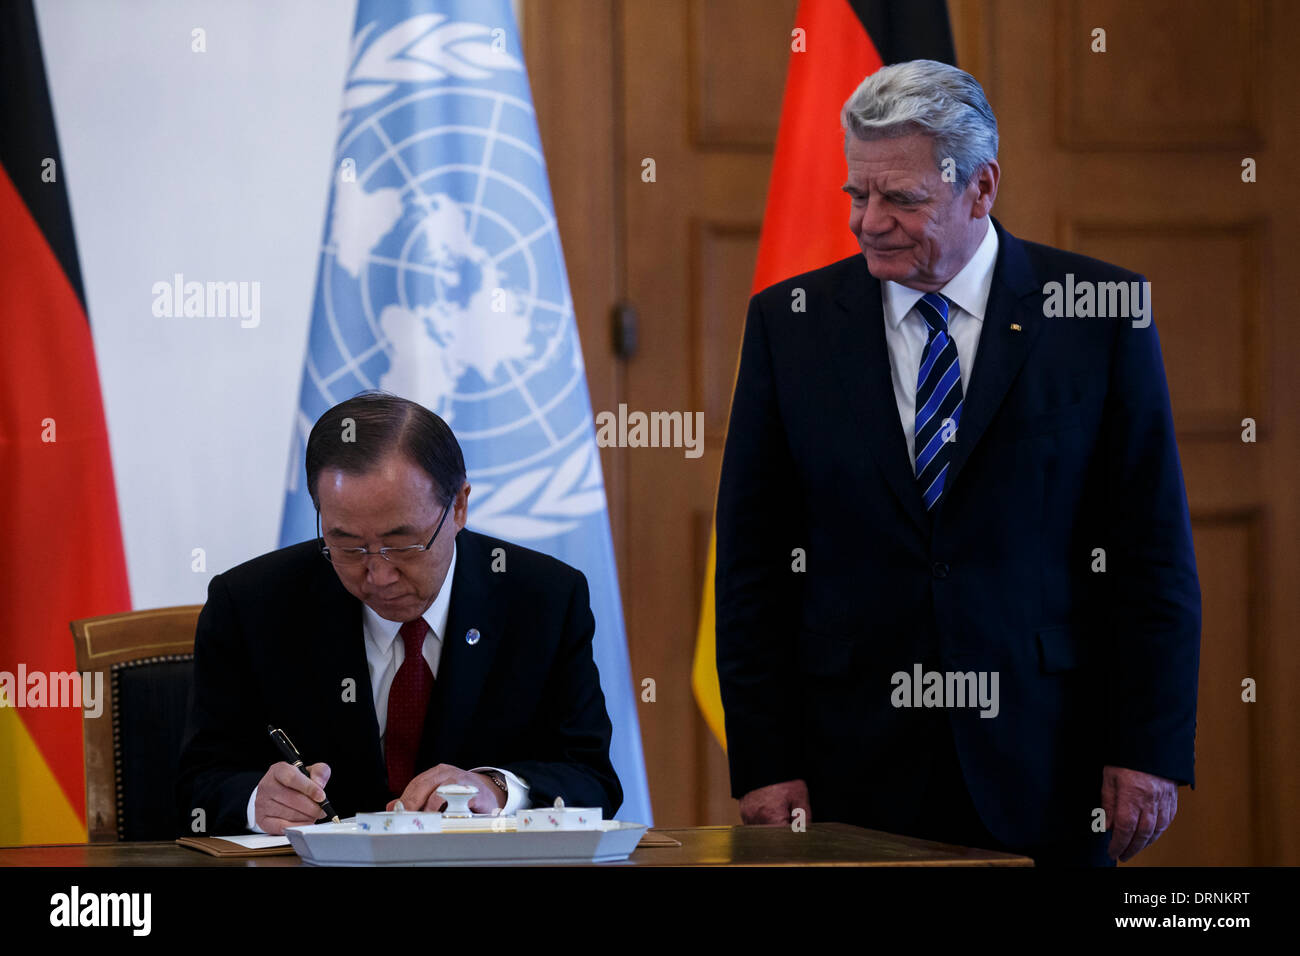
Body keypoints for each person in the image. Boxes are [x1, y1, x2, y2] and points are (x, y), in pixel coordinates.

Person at [714, 60, 1200, 866]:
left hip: (1048, 761)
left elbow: (1152, 556)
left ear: (981, 188)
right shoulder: (789, 323)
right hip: (852, 768)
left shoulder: (1099, 314)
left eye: (901, 198)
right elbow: (754, 565)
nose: (870, 222)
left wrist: (1148, 745)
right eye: (856, 196)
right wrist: (766, 761)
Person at [177, 392, 621, 836]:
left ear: (459, 506)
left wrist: (498, 791)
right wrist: (257, 802)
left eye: (403, 542)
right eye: (348, 545)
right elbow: (195, 784)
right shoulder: (252, 604)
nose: (379, 574)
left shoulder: (543, 599)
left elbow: (592, 779)